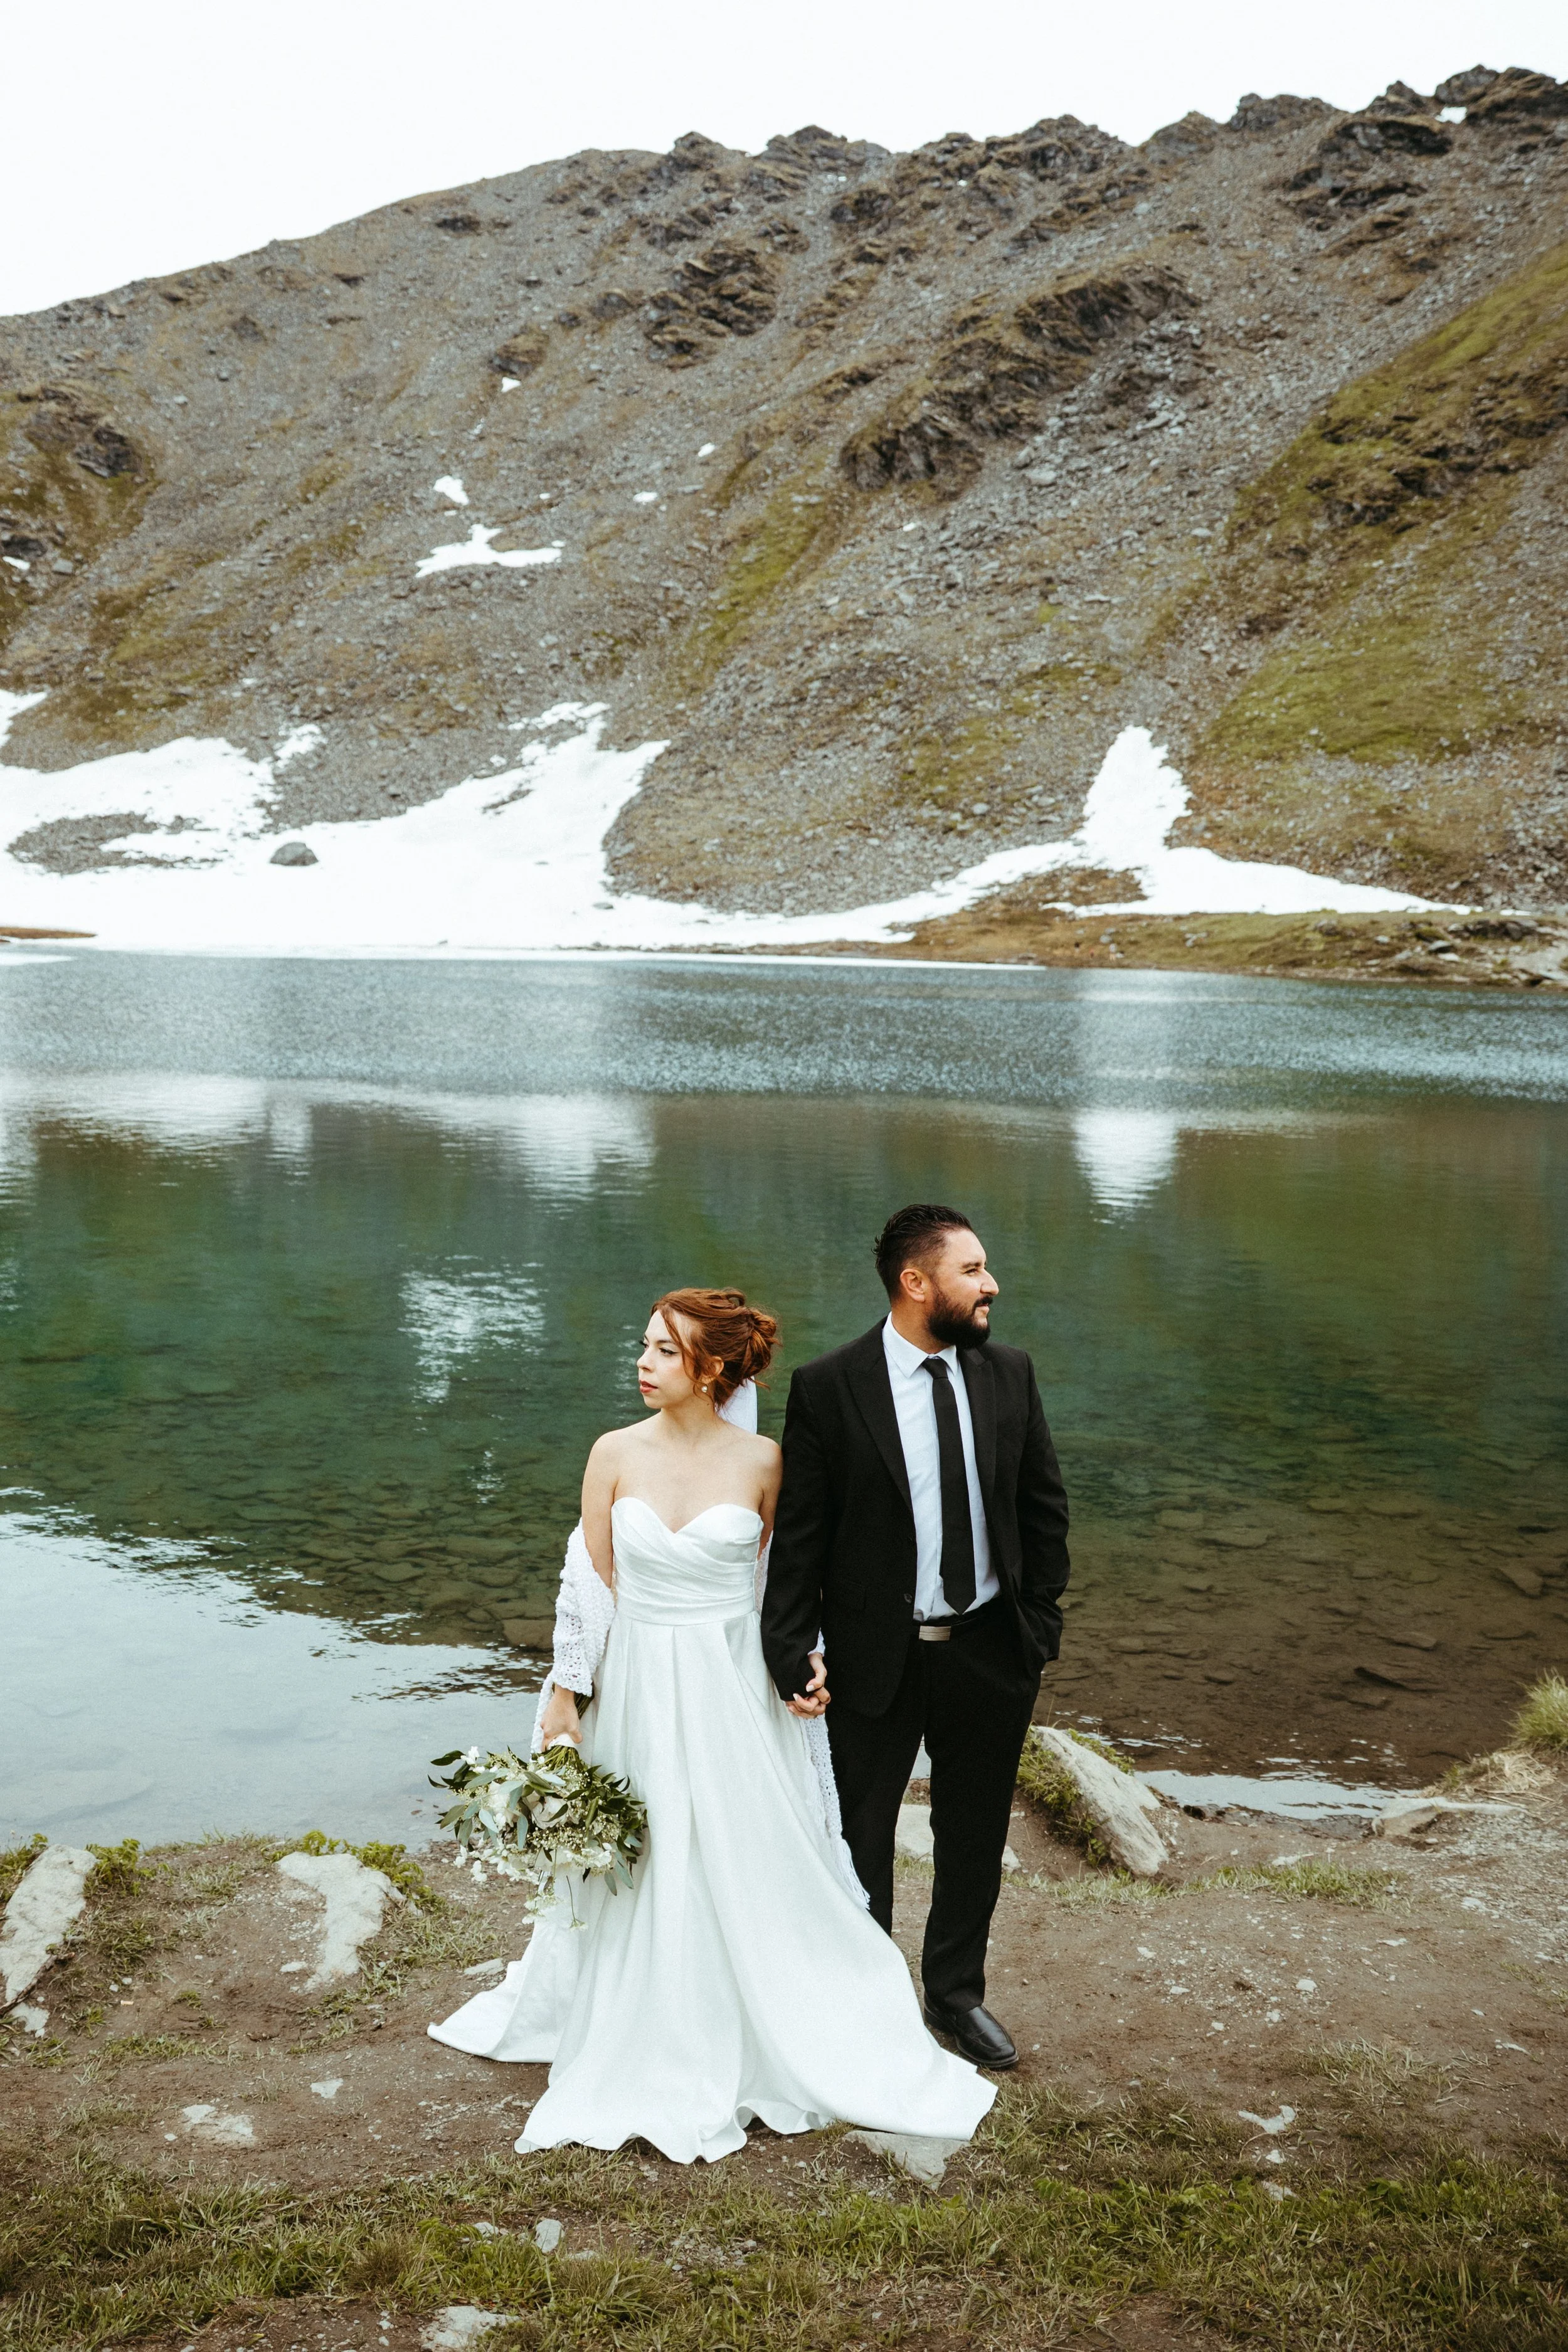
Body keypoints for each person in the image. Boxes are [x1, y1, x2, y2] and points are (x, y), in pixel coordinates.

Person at [428, 1286, 994, 2165]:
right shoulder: (613, 1452)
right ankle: (634, 2016)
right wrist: (566, 1692)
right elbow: (590, 1581)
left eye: (663, 1350)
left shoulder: (765, 1461)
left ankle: (765, 2014)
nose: (643, 1363)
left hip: (733, 1690)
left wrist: (800, 1665)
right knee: (645, 1852)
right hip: (641, 1682)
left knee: (741, 1851)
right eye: (646, 1345)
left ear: (715, 1367)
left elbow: (784, 1586)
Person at [761, 1206, 1071, 2072]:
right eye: (973, 1269)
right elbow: (802, 1537)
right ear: (915, 1282)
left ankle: (955, 1994)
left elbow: (1044, 1509)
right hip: (873, 1657)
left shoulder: (1009, 1373)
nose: (991, 1284)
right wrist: (789, 1645)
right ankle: (864, 1994)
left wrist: (1036, 1627)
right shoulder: (831, 1387)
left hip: (987, 1650)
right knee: (860, 1832)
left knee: (972, 1835)